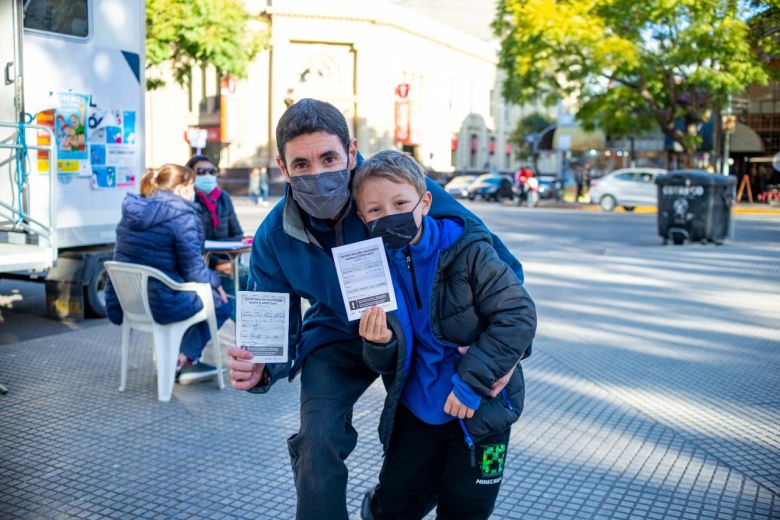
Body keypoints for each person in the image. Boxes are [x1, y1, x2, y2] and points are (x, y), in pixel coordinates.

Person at [227, 98, 527, 520]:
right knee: (317, 441)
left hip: (413, 339)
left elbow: (501, 270)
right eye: (302, 165)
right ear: (283, 167)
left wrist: (503, 355)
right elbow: (273, 332)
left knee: (423, 456)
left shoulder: (395, 186)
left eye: (329, 158)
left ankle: (387, 509)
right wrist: (262, 367)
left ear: (351, 151)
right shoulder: (274, 237)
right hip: (336, 336)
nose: (318, 174)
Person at [353, 150, 536, 519]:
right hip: (416, 412)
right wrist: (378, 344)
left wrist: (471, 384)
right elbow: (386, 359)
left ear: (425, 202)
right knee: (393, 506)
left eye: (401, 202)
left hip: (482, 414)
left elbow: (518, 314)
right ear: (362, 216)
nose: (389, 215)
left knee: (465, 511)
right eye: (375, 210)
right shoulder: (369, 268)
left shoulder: (469, 251)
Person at [105, 164, 232, 383]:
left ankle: (181, 359)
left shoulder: (132, 211)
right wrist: (216, 282)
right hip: (164, 303)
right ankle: (182, 357)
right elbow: (193, 270)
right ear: (182, 188)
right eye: (192, 186)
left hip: (133, 304)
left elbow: (119, 259)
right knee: (222, 303)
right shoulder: (182, 215)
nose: (195, 192)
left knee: (201, 297)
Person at [185, 154, 246, 301]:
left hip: (228, 260)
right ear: (190, 175)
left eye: (212, 171)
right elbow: (188, 244)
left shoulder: (224, 198)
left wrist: (226, 260)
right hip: (201, 264)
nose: (207, 175)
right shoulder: (188, 199)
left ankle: (246, 320)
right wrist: (216, 263)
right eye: (201, 172)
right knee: (233, 285)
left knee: (250, 278)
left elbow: (238, 234)